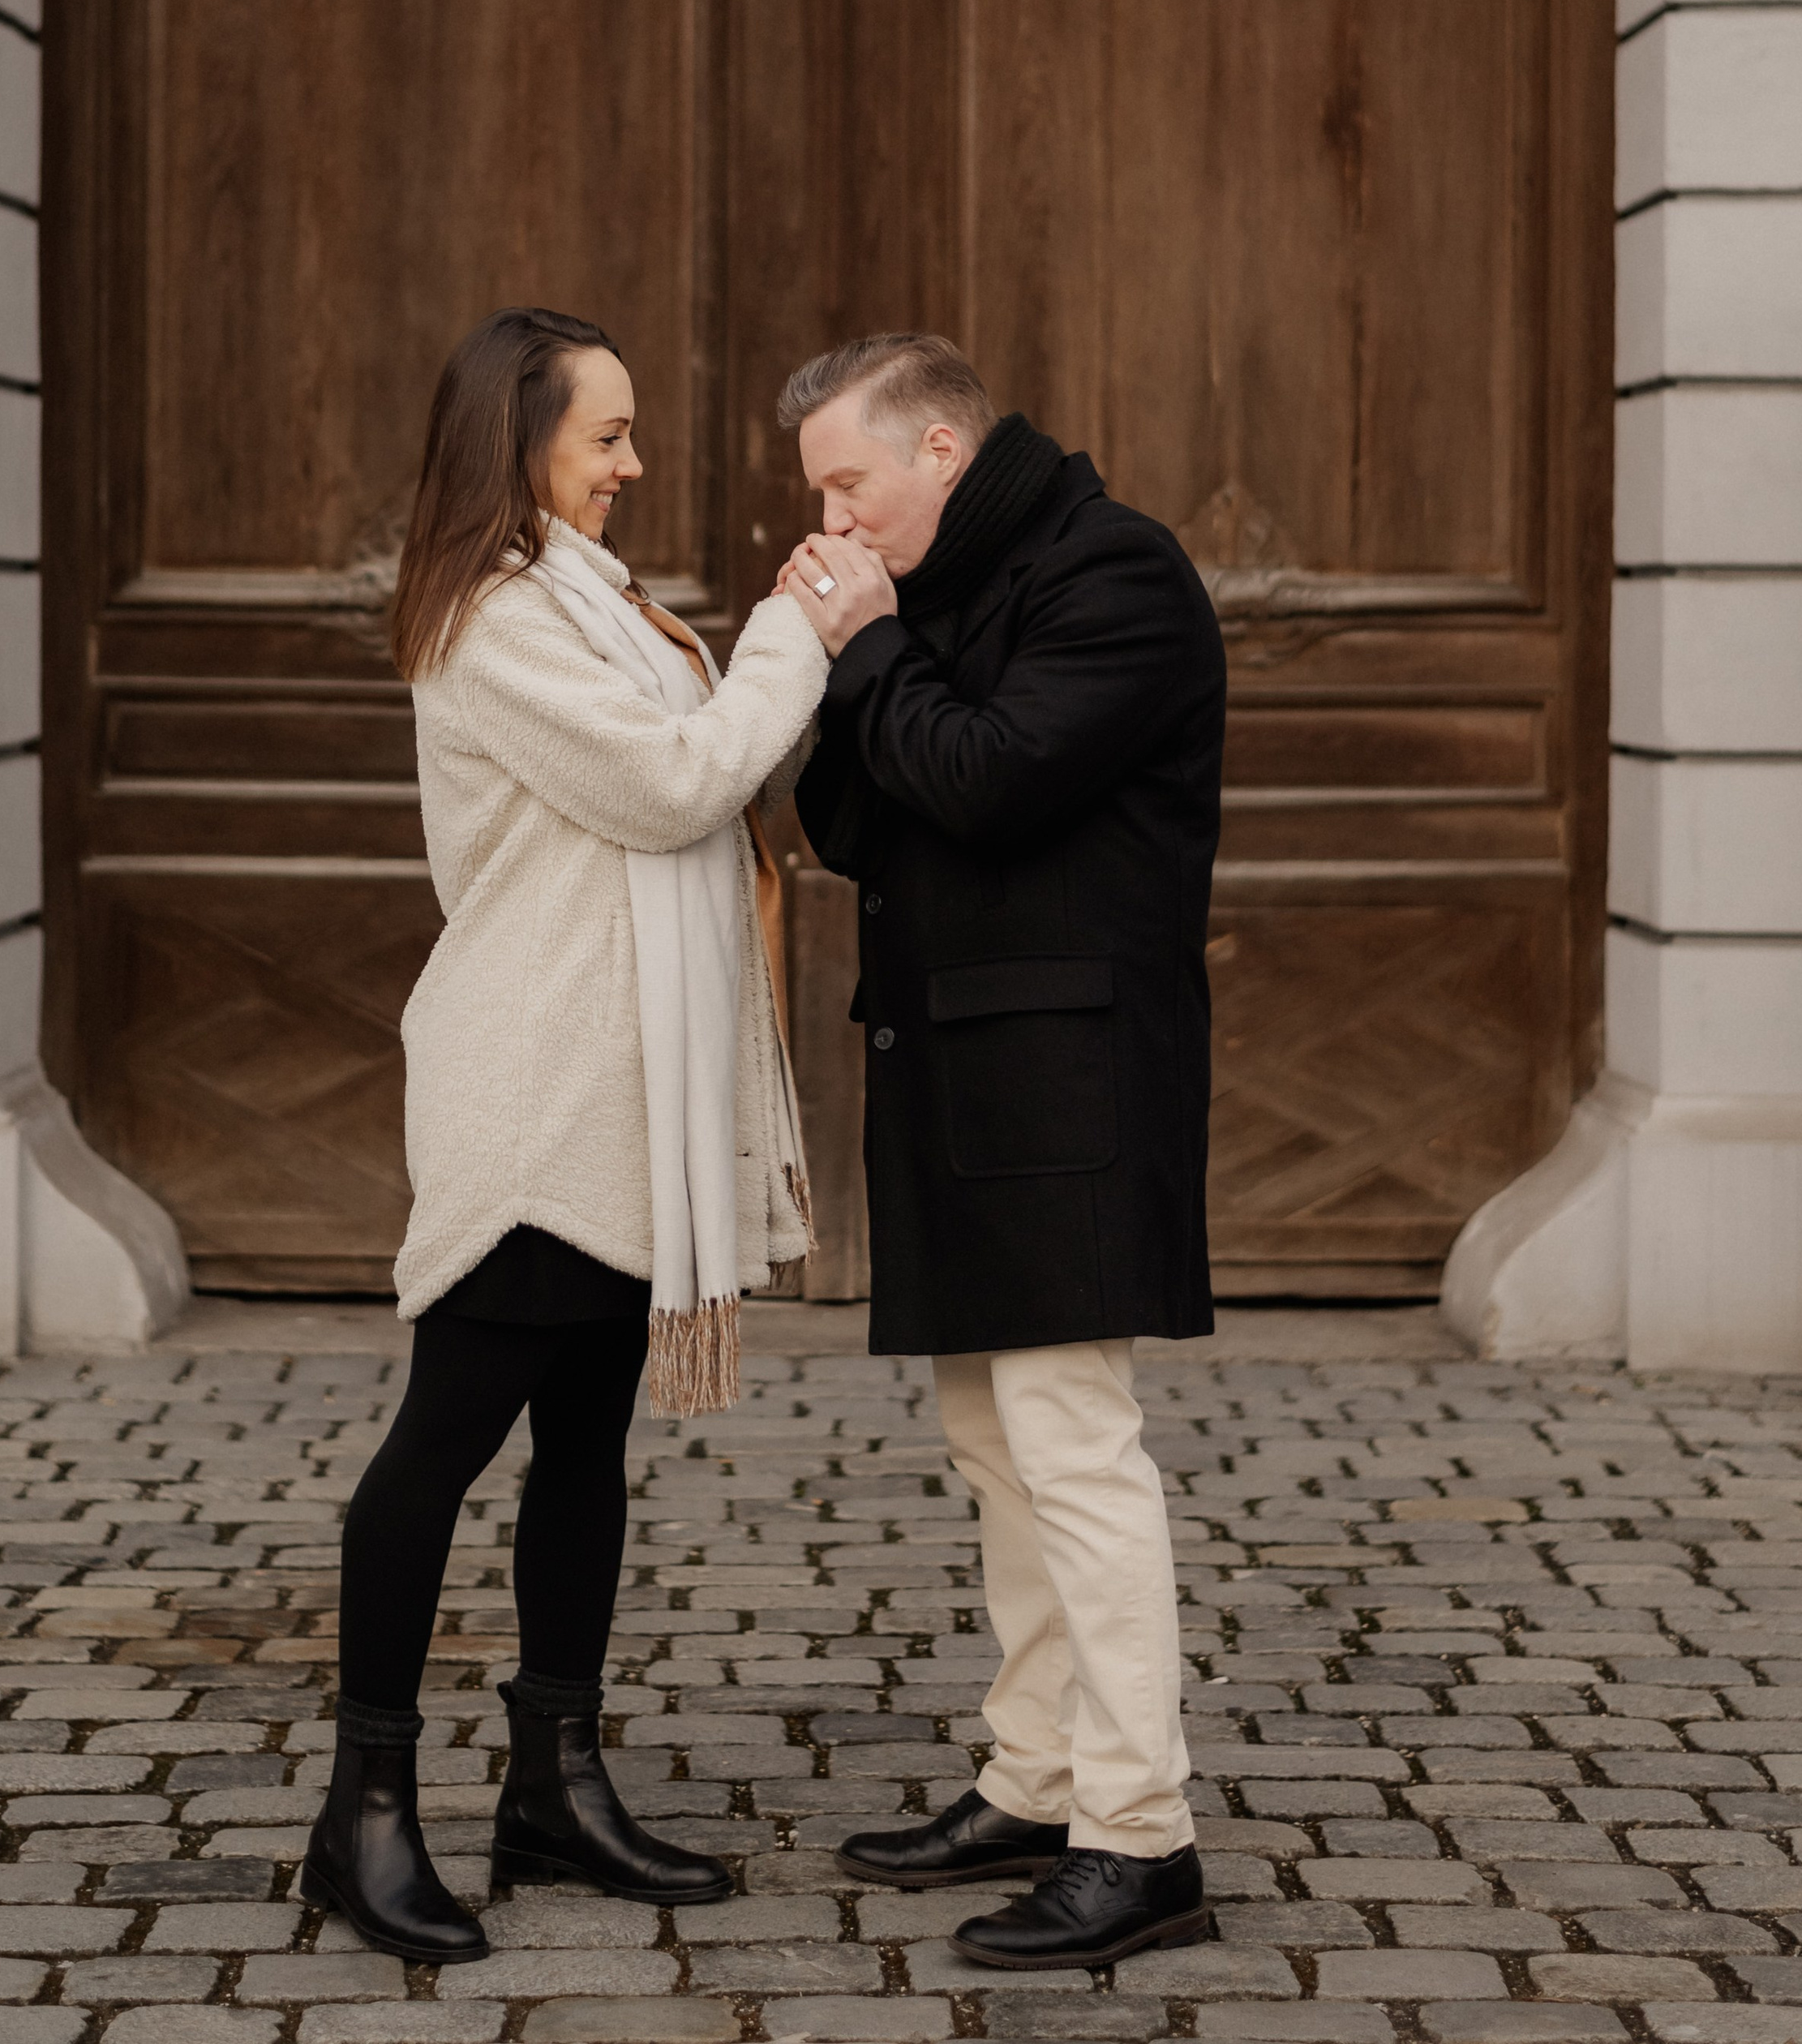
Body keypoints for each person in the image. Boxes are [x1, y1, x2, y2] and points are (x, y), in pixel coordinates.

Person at [303, 307, 883, 1962]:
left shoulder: (594, 599)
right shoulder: (495, 621)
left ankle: (553, 1785)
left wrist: (775, 650)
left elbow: (699, 772)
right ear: (521, 443)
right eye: (606, 436)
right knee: (437, 1447)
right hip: (536, 1100)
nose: (633, 463)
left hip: (623, 1101)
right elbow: (678, 782)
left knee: (581, 1448)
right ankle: (362, 1816)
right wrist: (795, 630)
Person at [774, 333, 1226, 1975]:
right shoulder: (945, 588)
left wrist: (872, 649)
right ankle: (1036, 1779)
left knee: (1073, 1447)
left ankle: (1139, 1836)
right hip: (957, 1072)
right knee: (994, 1442)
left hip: (1067, 1086)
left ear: (942, 450)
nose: (832, 518)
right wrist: (855, 661)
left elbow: (985, 780)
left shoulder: (1113, 573)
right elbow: (851, 823)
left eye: (848, 482)